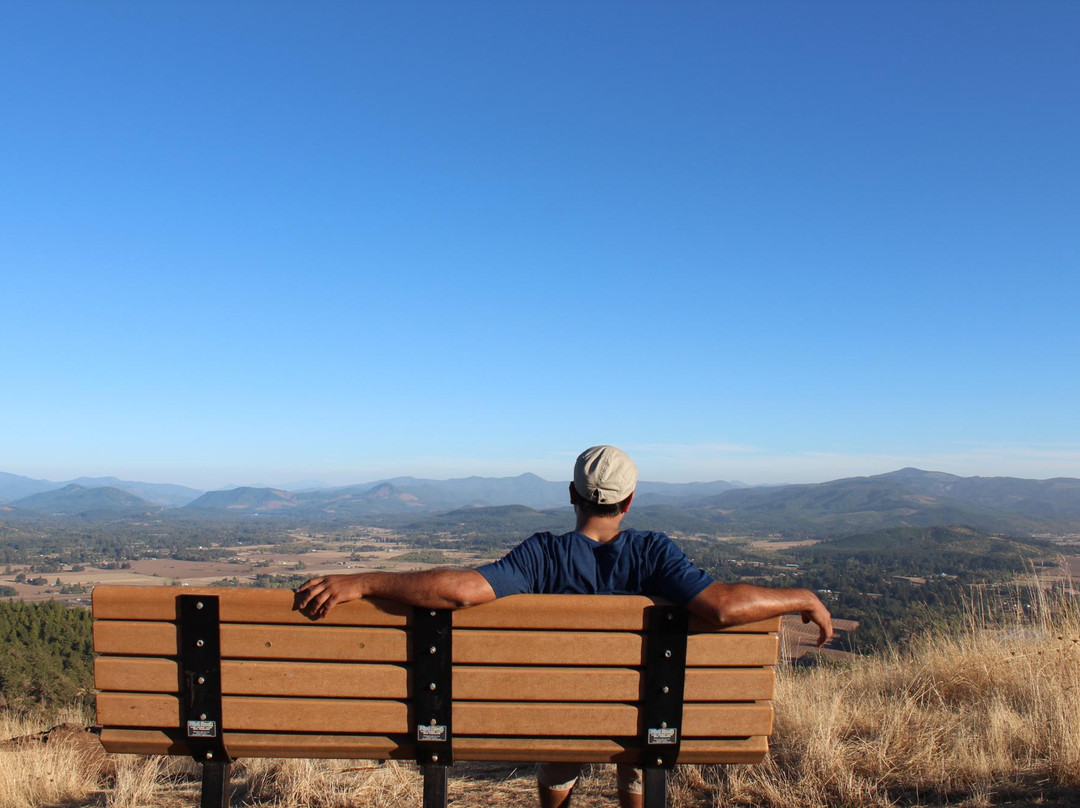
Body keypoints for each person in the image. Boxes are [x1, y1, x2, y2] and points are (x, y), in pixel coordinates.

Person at [296, 445, 832, 808]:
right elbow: (722, 606)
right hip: (646, 719)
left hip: (561, 714)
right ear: (629, 502)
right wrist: (801, 596)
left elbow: (457, 591)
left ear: (572, 495)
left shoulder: (542, 555)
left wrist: (363, 581)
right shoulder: (653, 552)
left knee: (569, 705)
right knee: (641, 719)